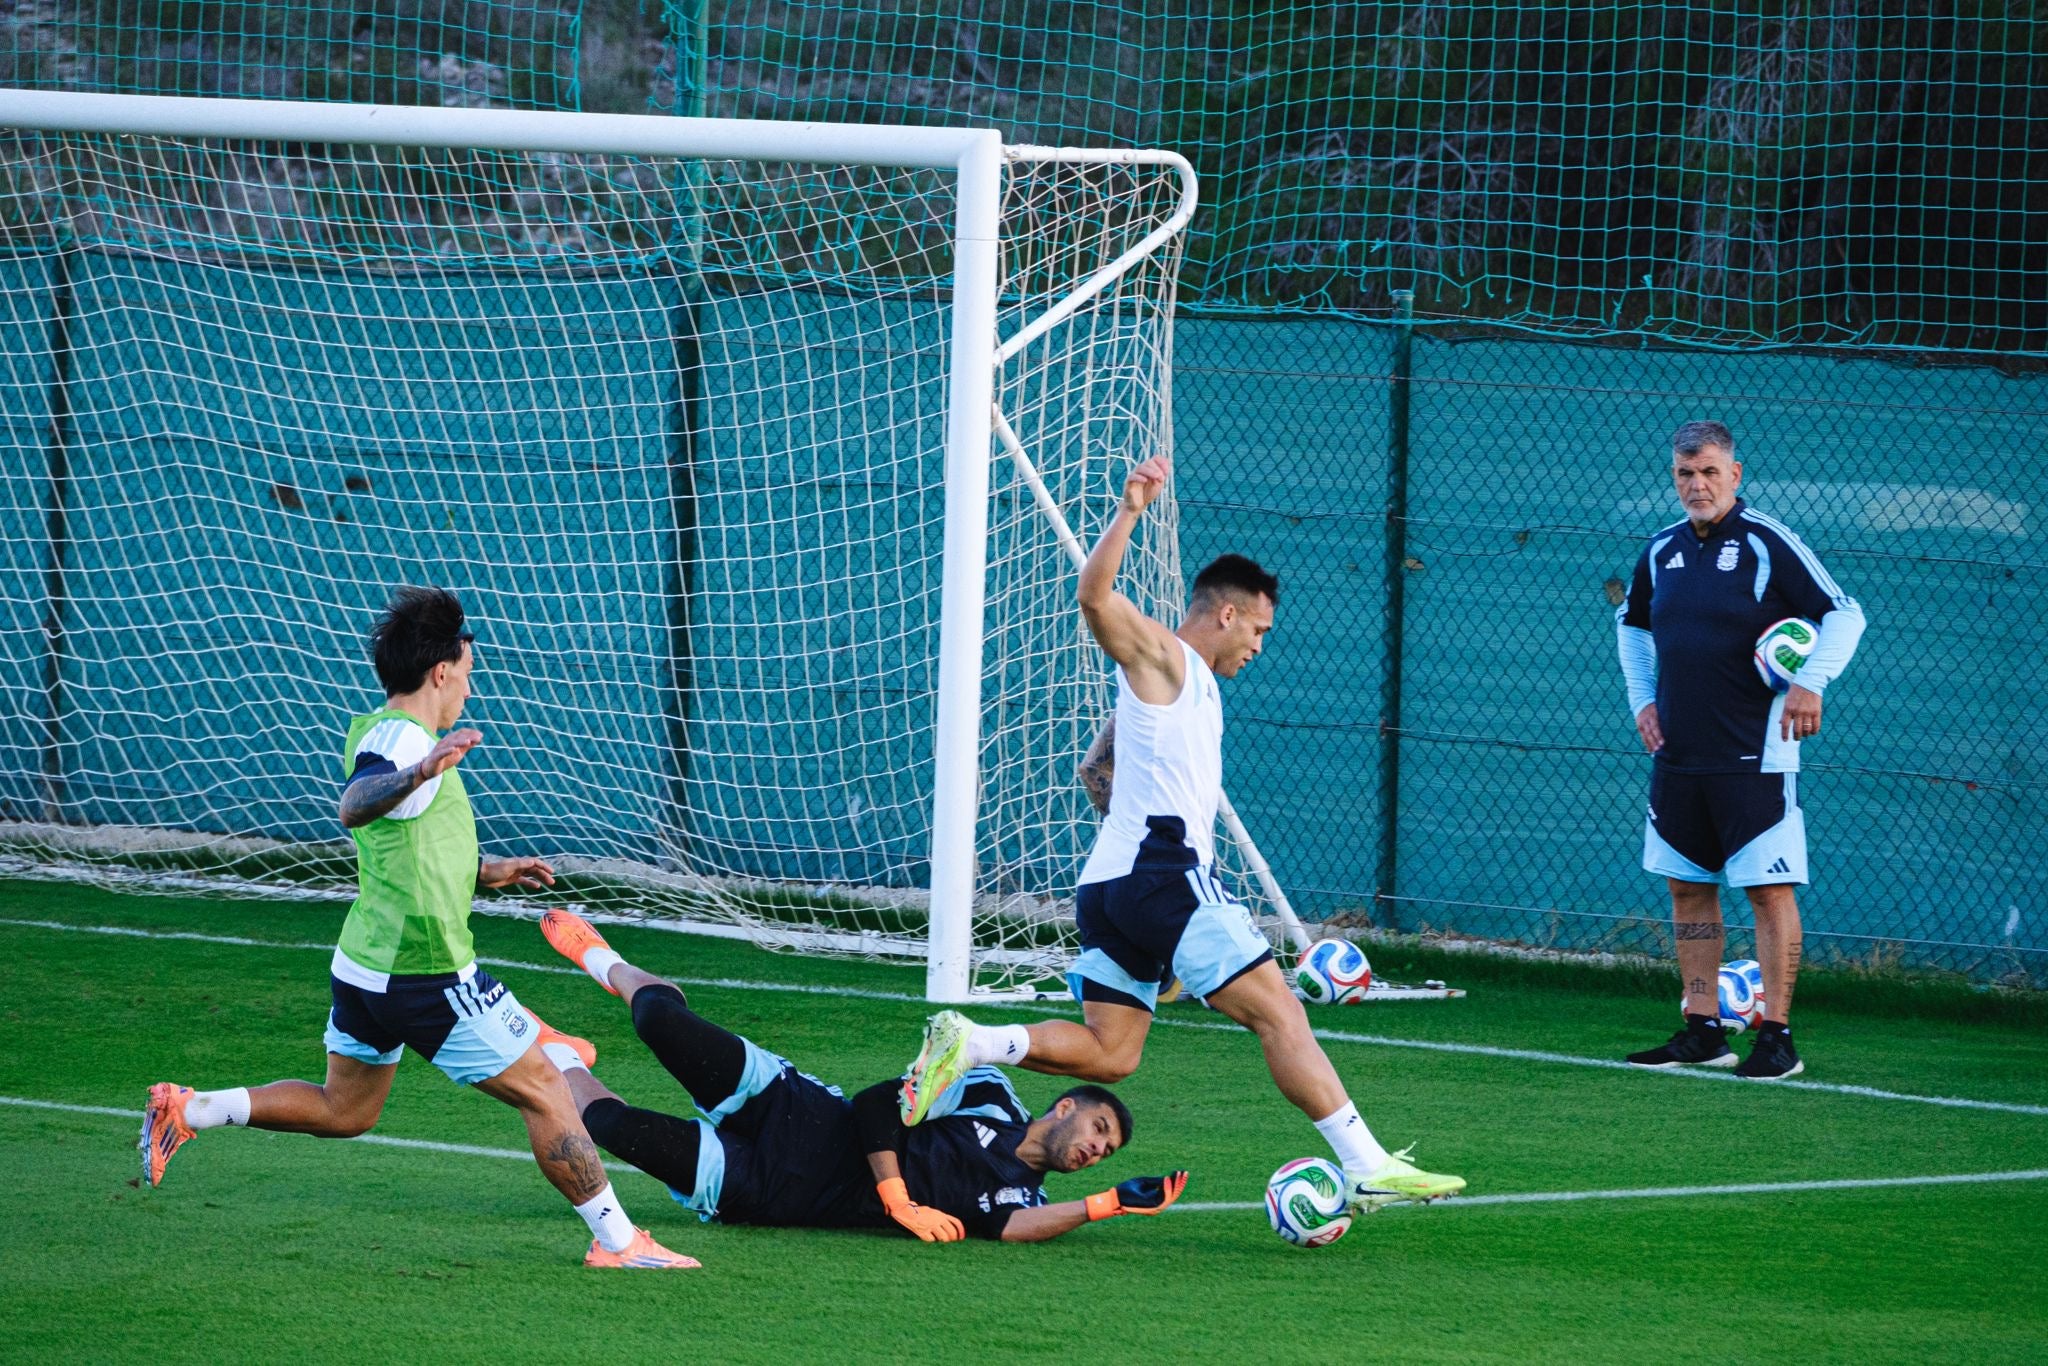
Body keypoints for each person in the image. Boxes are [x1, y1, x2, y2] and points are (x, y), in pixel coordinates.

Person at [897, 455, 1463, 1213]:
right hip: (1163, 878)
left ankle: (972, 1042)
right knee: (1280, 1013)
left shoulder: (1173, 691)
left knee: (1112, 1054)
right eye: (1258, 628)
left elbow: (1096, 771)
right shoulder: (1168, 658)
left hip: (1114, 886)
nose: (1259, 646)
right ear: (1226, 613)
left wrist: (1143, 887)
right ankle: (1365, 1163)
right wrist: (1130, 511)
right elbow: (1094, 598)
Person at [137, 586, 696, 1269]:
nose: (468, 684)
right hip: (423, 971)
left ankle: (189, 1111)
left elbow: (411, 848)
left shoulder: (385, 730)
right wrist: (420, 769)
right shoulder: (403, 745)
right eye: (465, 671)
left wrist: (487, 870)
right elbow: (357, 803)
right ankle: (619, 1243)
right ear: (440, 672)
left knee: (347, 1111)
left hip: (365, 964)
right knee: (548, 1086)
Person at [536, 909, 1187, 1242]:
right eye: (1100, 1127)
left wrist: (1108, 1205)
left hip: (769, 1192)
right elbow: (881, 1104)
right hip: (796, 1112)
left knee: (607, 1124)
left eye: (1106, 1152)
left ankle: (557, 1054)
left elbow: (1017, 1228)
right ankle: (603, 957)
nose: (1097, 1148)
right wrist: (898, 1201)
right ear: (1066, 1103)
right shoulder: (989, 1095)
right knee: (657, 1020)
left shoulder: (1024, 1198)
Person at [1616, 421, 1866, 1080]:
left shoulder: (1768, 542)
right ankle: (1703, 1028)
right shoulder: (1660, 550)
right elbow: (1632, 625)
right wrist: (1644, 700)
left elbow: (1844, 613)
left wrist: (1810, 682)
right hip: (1679, 755)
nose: (1696, 486)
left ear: (1735, 474)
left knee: (1767, 890)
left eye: (1708, 473)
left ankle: (1777, 1037)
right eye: (1684, 475)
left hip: (1757, 754)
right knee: (1687, 889)